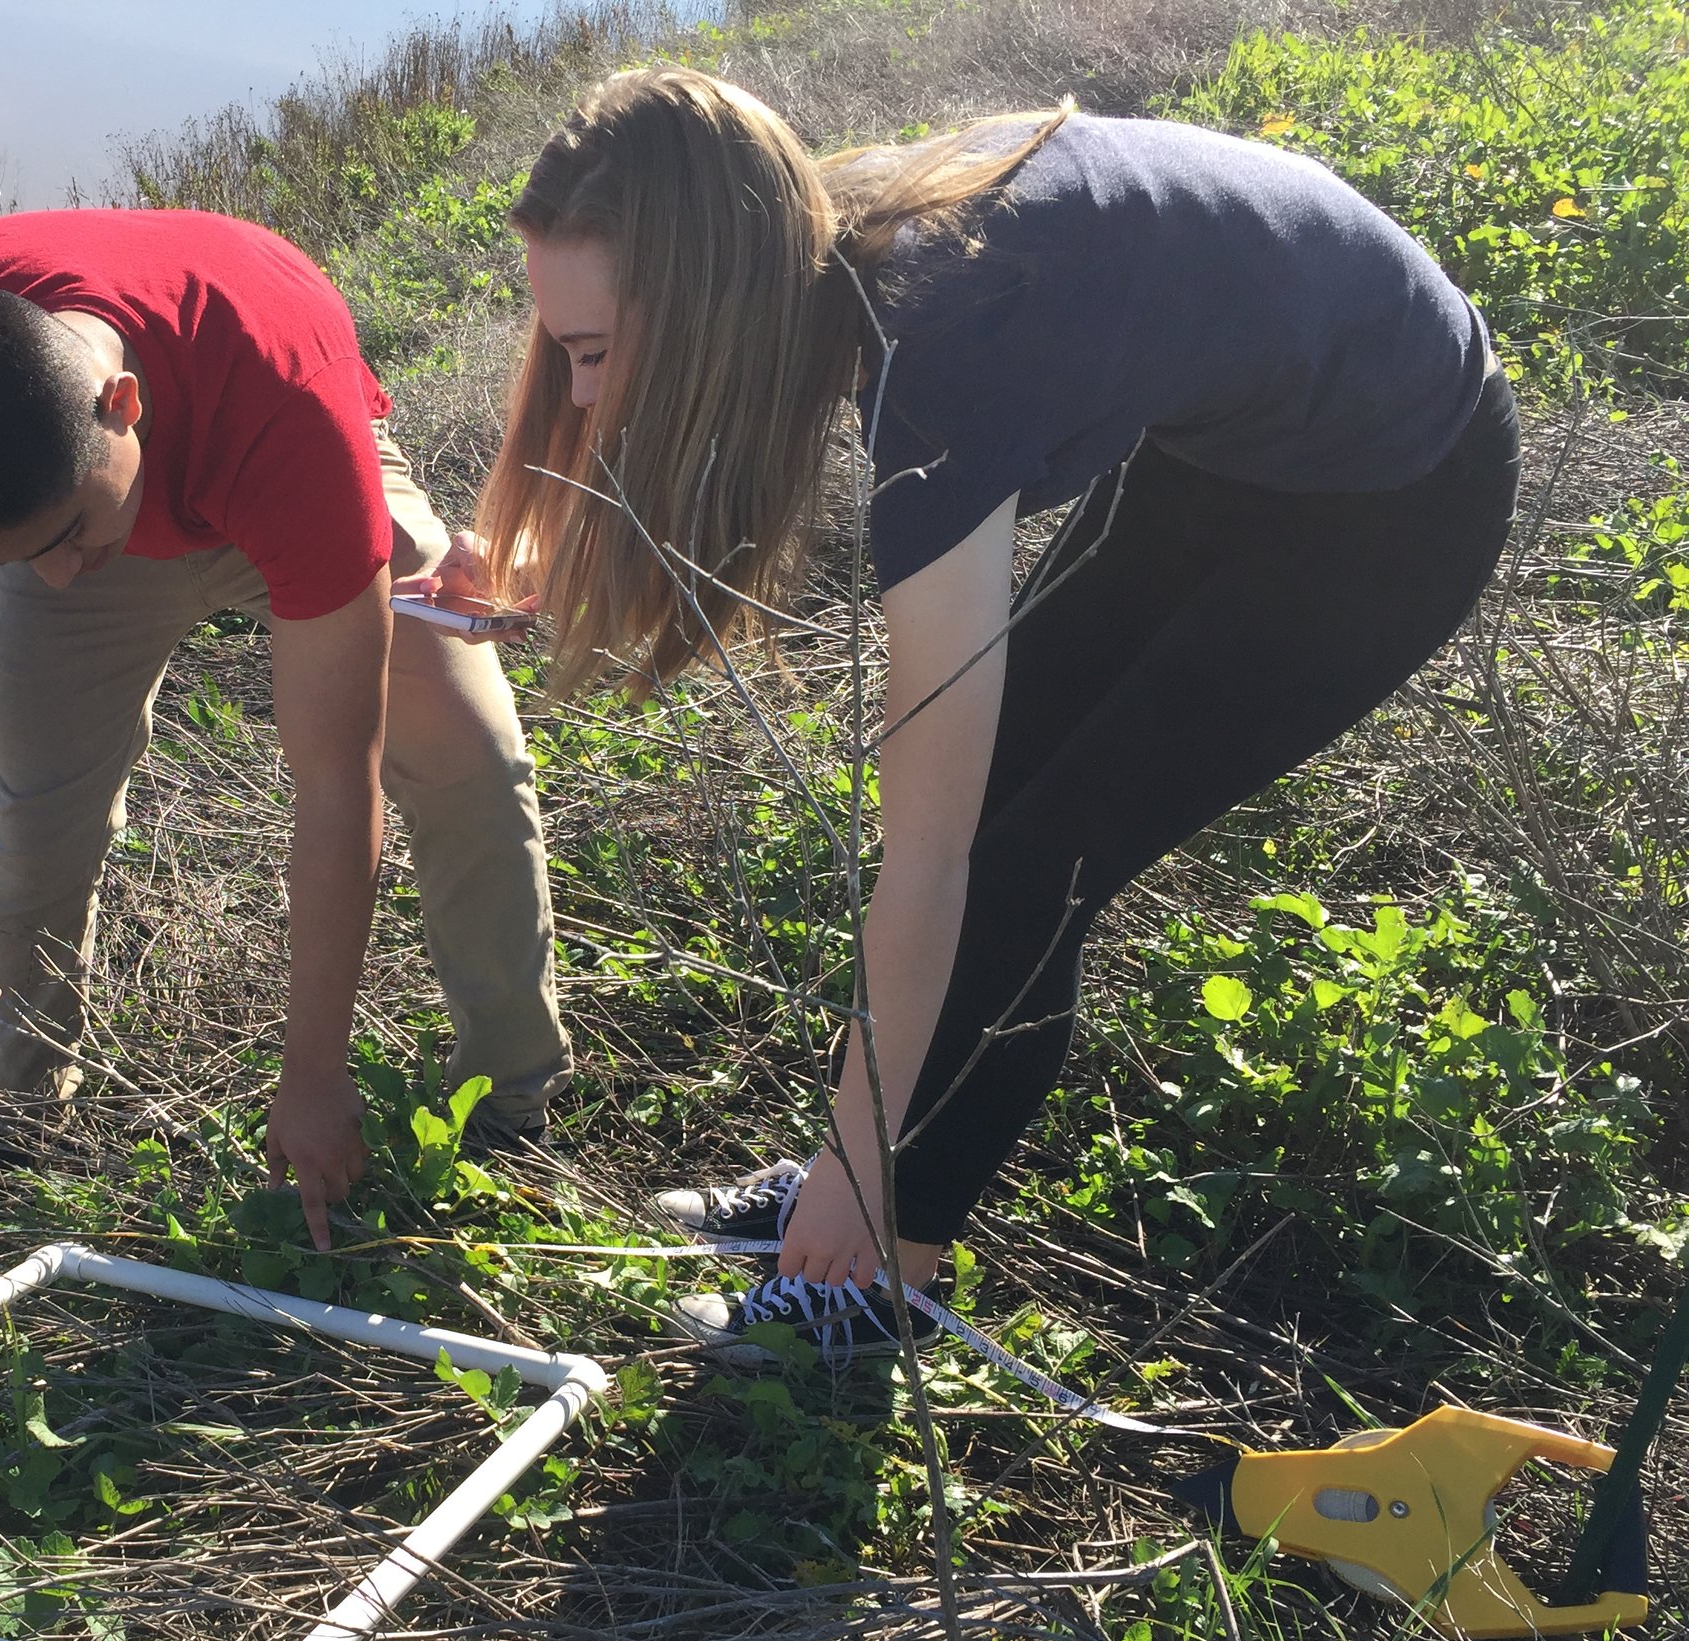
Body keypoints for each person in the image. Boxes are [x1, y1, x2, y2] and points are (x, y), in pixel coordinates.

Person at [432, 70, 1517, 1360]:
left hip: (1397, 486)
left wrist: (852, 1155)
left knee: (1019, 869)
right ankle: (871, 1180)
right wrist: (529, 557)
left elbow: (929, 859)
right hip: (1238, 443)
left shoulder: (946, 346)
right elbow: (659, 424)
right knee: (1002, 815)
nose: (585, 390)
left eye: (595, 352)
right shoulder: (801, 233)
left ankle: (879, 1269)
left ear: (707, 302)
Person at [0, 210, 573, 1248]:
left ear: (122, 406)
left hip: (270, 453)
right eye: (6, 559)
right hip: (89, 485)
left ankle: (511, 1105)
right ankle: (15, 1117)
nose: (50, 577)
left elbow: (333, 781)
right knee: (39, 835)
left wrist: (311, 1080)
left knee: (472, 761)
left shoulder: (285, 408)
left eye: (57, 542)